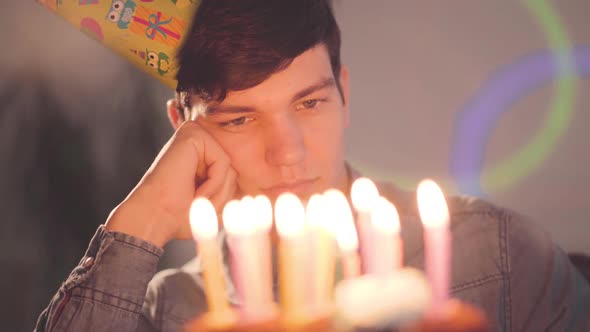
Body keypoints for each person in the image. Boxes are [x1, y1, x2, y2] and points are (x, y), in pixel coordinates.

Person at [34, 1, 590, 331]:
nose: (289, 152)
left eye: (310, 102)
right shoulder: (170, 309)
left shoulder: (500, 260)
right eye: (239, 120)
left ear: (343, 93)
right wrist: (146, 214)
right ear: (184, 127)